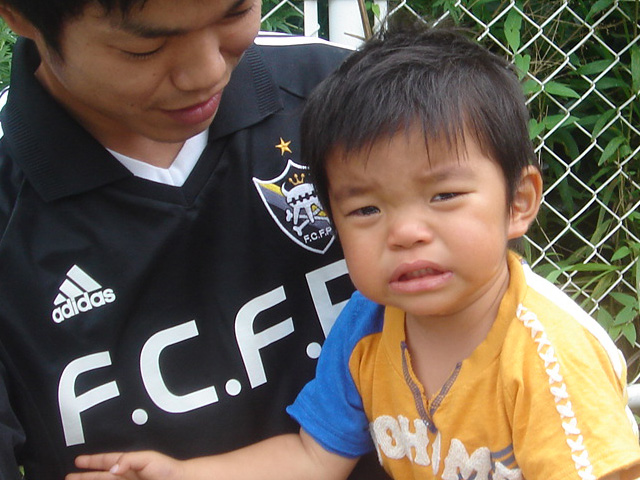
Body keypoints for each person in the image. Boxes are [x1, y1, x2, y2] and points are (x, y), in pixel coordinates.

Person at [66, 23, 640, 480]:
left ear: (518, 202)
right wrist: (184, 474)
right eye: (366, 209)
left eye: (443, 195)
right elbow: (314, 458)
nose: (405, 232)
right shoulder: (369, 326)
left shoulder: (546, 356)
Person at [0, 0, 390, 479]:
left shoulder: (341, 90)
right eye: (145, 47)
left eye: (235, 14)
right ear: (19, 15)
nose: (207, 73)